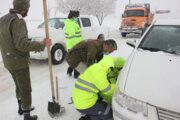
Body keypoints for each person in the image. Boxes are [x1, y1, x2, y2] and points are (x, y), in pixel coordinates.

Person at [0, 0, 52, 120]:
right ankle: (27, 115)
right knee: (25, 89)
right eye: (28, 7)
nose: (28, 10)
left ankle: (21, 107)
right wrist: (42, 44)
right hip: (18, 62)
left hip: (8, 61)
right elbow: (21, 44)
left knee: (18, 86)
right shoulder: (18, 21)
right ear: (24, 8)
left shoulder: (3, 19)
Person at [64, 10, 83, 78]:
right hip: (74, 46)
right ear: (73, 16)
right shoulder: (71, 24)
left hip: (73, 45)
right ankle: (76, 75)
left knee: (73, 60)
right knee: (77, 61)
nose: (77, 18)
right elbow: (72, 37)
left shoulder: (71, 23)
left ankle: (69, 72)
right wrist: (77, 46)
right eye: (76, 16)